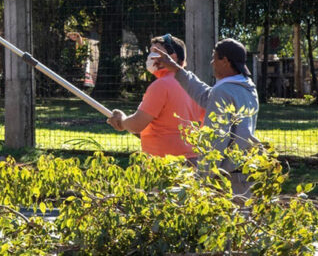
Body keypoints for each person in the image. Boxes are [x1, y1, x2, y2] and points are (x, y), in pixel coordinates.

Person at [152, 38, 259, 197]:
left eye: (214, 57)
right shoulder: (246, 88)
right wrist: (176, 69)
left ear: (225, 61)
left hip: (224, 177)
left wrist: (203, 178)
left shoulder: (223, 91)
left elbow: (216, 138)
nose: (211, 63)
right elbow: (204, 96)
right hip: (244, 172)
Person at [107, 34, 205, 160]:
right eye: (150, 52)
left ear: (173, 57)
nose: (150, 56)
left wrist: (122, 120)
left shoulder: (160, 86)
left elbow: (137, 124)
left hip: (164, 162)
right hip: (193, 159)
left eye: (156, 51)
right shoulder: (194, 84)